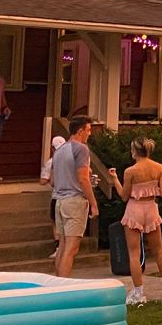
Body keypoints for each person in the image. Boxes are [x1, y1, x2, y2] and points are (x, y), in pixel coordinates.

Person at [107, 136, 162, 305]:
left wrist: (115, 179)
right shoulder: (159, 168)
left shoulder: (131, 171)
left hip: (134, 209)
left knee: (134, 254)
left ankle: (139, 293)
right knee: (159, 250)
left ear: (135, 151)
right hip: (151, 208)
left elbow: (124, 195)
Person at [51, 116, 99, 276]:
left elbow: (52, 180)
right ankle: (63, 287)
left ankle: (57, 282)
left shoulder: (59, 151)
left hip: (59, 200)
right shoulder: (81, 149)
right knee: (71, 248)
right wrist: (93, 203)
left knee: (63, 245)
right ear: (80, 131)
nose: (89, 134)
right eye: (88, 130)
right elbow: (83, 178)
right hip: (74, 201)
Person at [40, 135, 67, 259]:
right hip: (71, 196)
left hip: (57, 195)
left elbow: (45, 181)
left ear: (52, 148)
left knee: (56, 222)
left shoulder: (51, 161)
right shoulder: (70, 160)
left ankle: (59, 247)